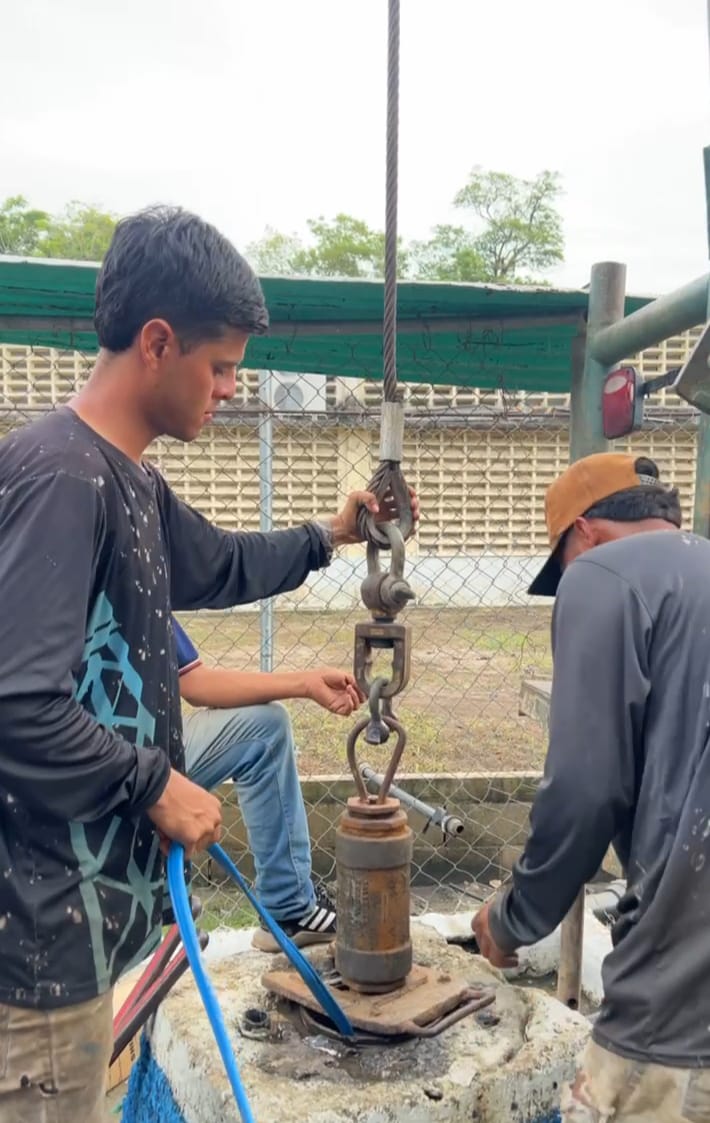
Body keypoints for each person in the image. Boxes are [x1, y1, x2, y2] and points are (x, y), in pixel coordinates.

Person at [0, 206, 418, 1123]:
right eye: (220, 364)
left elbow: (221, 562)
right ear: (157, 341)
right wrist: (158, 781)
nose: (230, 387)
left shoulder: (128, 479)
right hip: (35, 949)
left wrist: (330, 535)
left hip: (82, 924)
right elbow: (19, 706)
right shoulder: (60, 478)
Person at [472, 451, 710, 1123]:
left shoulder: (602, 573)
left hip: (685, 990)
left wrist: (511, 917)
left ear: (585, 531)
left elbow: (584, 786)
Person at [175, 615, 362, 949]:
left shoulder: (136, 576)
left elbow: (194, 683)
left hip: (143, 742)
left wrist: (307, 683)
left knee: (265, 726)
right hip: (84, 758)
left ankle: (288, 909)